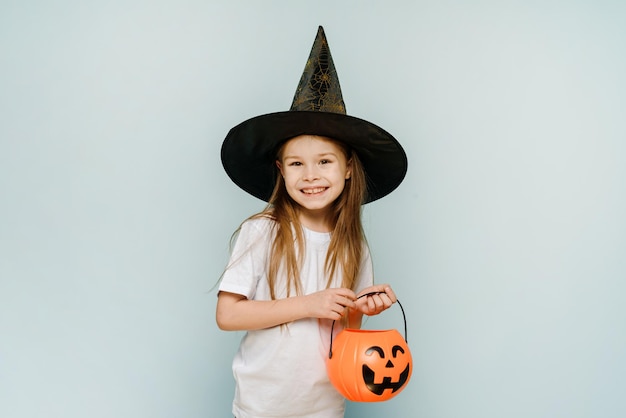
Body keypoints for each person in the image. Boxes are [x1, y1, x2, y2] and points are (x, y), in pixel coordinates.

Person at [216, 26, 408, 418]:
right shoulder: (263, 231)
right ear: (280, 171)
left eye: (324, 161)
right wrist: (309, 304)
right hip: (263, 404)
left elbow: (344, 324)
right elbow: (228, 315)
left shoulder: (354, 244)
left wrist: (362, 309)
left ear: (349, 168)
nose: (310, 175)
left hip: (325, 402)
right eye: (296, 164)